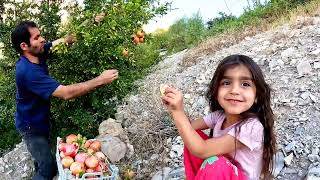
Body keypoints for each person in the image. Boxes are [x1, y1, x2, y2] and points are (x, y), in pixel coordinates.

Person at [11, 20, 118, 180]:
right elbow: (66, 93)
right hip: (30, 126)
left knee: (42, 159)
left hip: (40, 119)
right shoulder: (27, 72)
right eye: (36, 37)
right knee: (48, 169)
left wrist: (91, 23)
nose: (42, 40)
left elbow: (65, 40)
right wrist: (100, 79)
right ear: (24, 46)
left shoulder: (38, 53)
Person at [161, 54, 276, 180]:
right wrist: (175, 107)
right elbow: (188, 128)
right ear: (216, 91)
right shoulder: (219, 116)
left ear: (257, 96)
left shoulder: (252, 127)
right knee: (193, 135)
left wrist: (178, 112)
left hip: (233, 175)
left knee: (216, 164)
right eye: (226, 82)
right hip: (217, 174)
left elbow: (202, 149)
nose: (234, 90)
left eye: (245, 84)